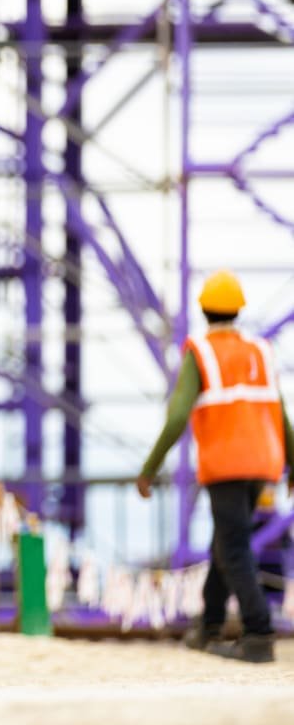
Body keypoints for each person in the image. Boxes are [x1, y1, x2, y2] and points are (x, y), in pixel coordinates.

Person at [136, 270, 292, 663]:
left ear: (203, 310)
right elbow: (281, 414)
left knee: (234, 548)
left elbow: (177, 417)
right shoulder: (260, 351)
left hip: (226, 466)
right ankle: (209, 626)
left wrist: (150, 468)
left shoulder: (201, 352)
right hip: (264, 465)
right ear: (239, 310)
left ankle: (259, 633)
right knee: (224, 541)